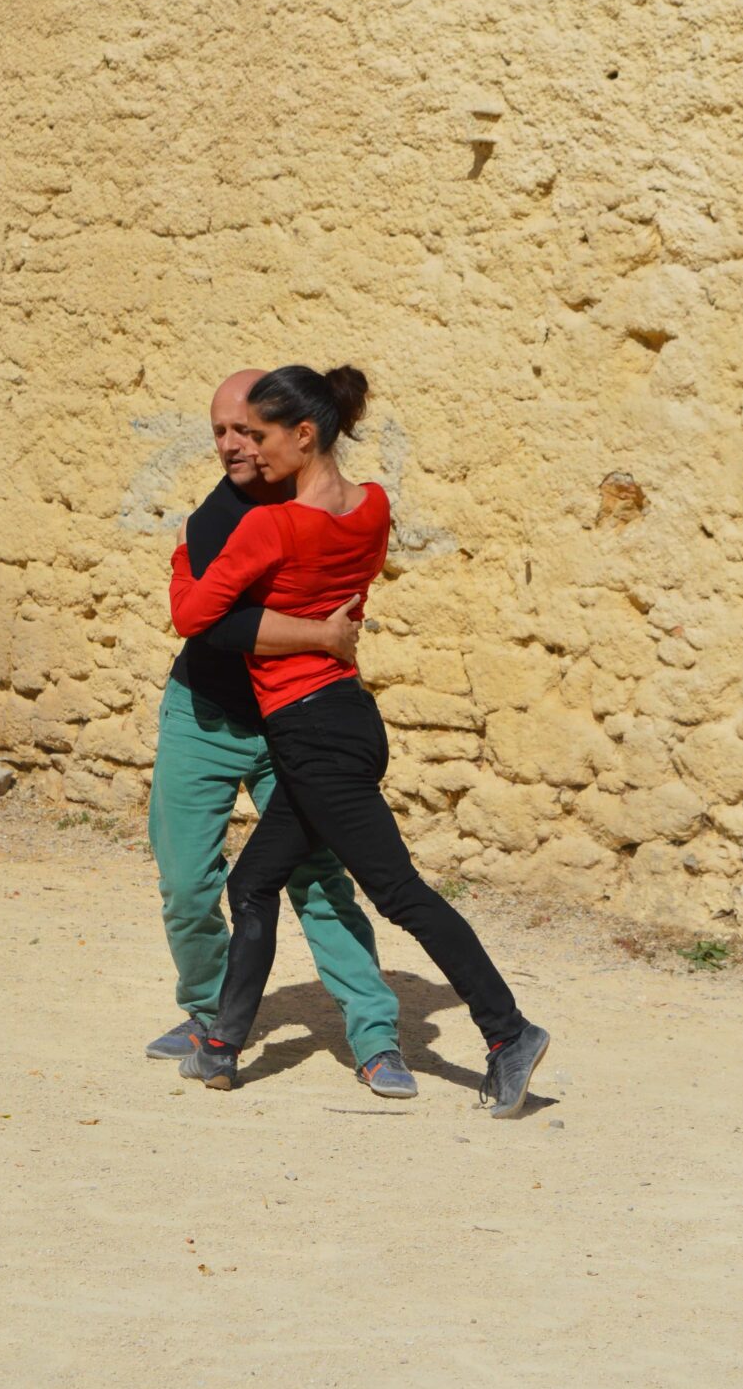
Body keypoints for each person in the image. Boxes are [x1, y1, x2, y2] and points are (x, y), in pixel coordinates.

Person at [166, 363, 550, 1119]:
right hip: (345, 716)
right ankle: (221, 1047)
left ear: (305, 435)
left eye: (261, 435)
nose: (250, 450)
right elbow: (341, 583)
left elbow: (192, 615)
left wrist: (185, 552)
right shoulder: (373, 506)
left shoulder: (271, 526)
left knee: (399, 892)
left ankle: (508, 1032)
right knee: (252, 883)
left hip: (312, 733)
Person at [145, 369, 417, 1099]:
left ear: (286, 432)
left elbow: (347, 593)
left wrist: (327, 634)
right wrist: (320, 635)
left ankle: (375, 1036)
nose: (234, 447)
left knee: (320, 882)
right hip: (202, 714)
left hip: (290, 724)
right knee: (186, 883)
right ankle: (208, 1014)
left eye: (246, 431)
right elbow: (214, 625)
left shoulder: (323, 504)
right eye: (220, 433)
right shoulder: (217, 518)